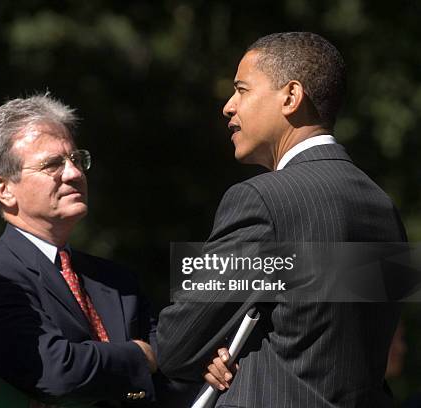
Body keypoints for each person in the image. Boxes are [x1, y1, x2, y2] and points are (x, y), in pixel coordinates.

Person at [157, 32, 408, 407]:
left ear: (291, 97)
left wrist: (216, 347)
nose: (228, 106)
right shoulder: (382, 206)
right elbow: (327, 333)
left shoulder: (261, 199)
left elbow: (175, 345)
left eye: (242, 89)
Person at [0, 94, 194, 407]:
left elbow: (171, 365)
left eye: (76, 159)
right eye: (52, 164)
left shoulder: (115, 279)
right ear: (4, 189)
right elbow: (55, 370)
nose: (74, 173)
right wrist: (139, 355)